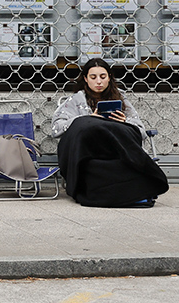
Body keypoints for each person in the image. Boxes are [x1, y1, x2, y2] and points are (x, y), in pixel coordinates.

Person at [52, 58, 168, 207]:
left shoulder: (120, 98)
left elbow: (140, 130)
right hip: (88, 153)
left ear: (109, 78)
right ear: (86, 79)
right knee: (84, 125)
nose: (98, 81)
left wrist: (124, 121)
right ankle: (134, 194)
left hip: (116, 151)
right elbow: (57, 128)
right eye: (93, 77)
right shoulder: (76, 100)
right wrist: (88, 119)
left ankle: (135, 194)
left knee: (121, 152)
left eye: (103, 76)